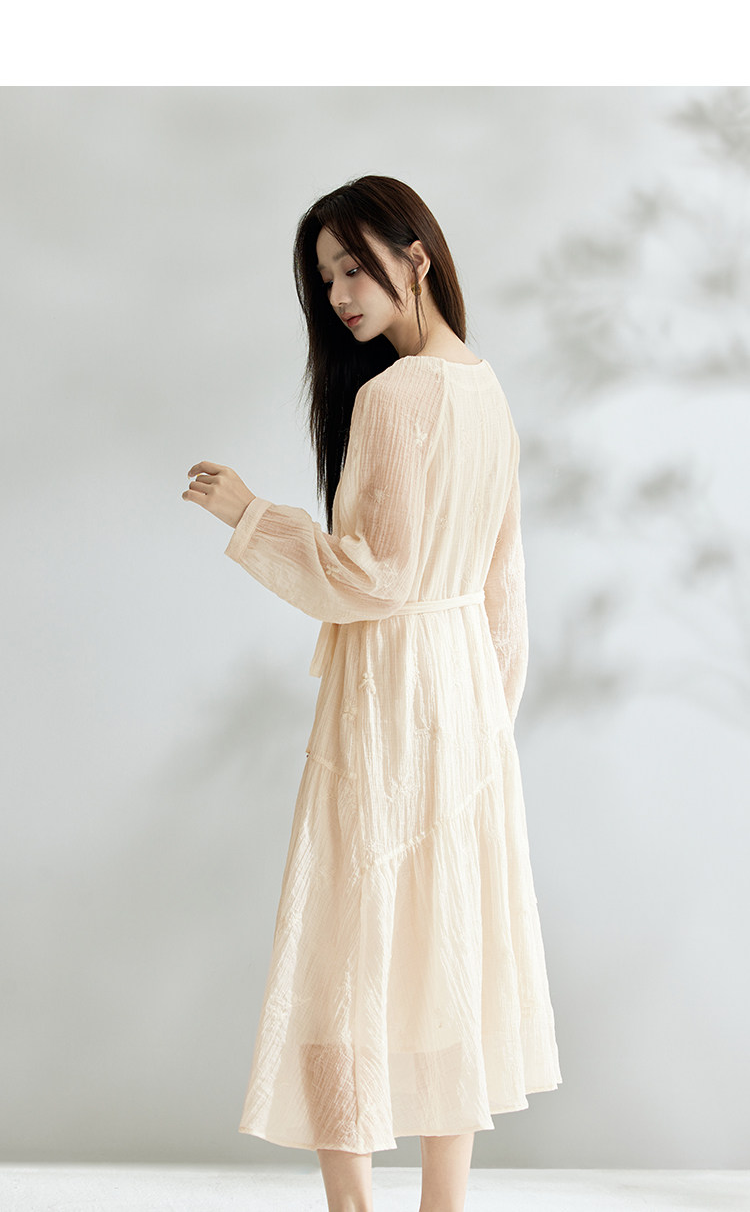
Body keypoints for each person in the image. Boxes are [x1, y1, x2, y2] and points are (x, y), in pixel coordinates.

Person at [182, 175, 562, 1212]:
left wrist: (251, 516)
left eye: (355, 266)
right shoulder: (485, 389)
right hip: (465, 693)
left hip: (390, 688)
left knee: (342, 943)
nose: (341, 294)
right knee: (445, 946)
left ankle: (353, 1205)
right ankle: (443, 1203)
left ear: (416, 256)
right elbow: (506, 587)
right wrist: (487, 725)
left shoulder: (393, 397)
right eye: (326, 278)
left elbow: (374, 576)